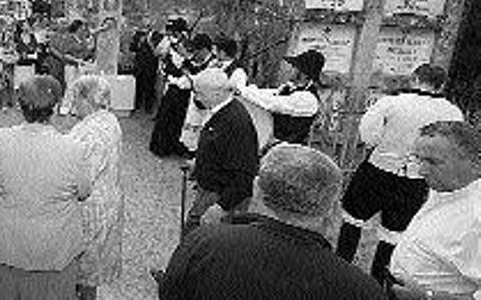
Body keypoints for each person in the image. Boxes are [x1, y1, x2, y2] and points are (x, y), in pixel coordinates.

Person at [158, 143, 388, 300]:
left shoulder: (205, 243)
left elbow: (171, 292)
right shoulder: (361, 289)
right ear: (331, 205)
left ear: (257, 190)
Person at [336, 64, 464, 285]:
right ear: (440, 84)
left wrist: (382, 145)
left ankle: (341, 272)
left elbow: (368, 134)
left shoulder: (392, 102)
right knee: (392, 234)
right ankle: (378, 283)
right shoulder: (452, 113)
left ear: (415, 79)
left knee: (354, 220)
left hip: (378, 168)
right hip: (416, 176)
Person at [0, 75, 91, 300]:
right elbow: (83, 192)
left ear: (20, 104)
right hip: (54, 252)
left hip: (8, 245)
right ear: (57, 106)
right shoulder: (73, 149)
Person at [388, 121, 481, 300]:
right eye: (419, 159)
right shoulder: (449, 186)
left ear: (476, 163)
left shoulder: (476, 216)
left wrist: (428, 296)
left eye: (433, 162)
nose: (422, 171)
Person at [69, 76, 125, 300]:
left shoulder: (90, 132)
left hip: (90, 209)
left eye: (75, 98)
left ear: (86, 99)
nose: (72, 104)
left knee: (83, 271)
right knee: (91, 272)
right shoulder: (109, 120)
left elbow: (79, 178)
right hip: (108, 201)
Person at [183, 68, 259, 231]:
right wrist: (199, 163)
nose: (196, 98)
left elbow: (245, 175)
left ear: (217, 94)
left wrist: (221, 207)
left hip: (218, 196)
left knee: (198, 240)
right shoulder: (220, 110)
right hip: (209, 190)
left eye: (199, 93)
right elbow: (219, 149)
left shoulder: (235, 122)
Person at [238, 49, 324, 146]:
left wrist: (243, 91)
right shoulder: (289, 87)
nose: (289, 69)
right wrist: (246, 90)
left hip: (288, 148)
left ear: (303, 73)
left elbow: (272, 103)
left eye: (294, 67)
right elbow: (266, 94)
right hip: (271, 141)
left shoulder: (307, 99)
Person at [149, 32, 214, 157]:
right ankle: (164, 147)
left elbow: (194, 75)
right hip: (178, 89)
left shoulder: (210, 62)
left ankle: (175, 146)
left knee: (178, 122)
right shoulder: (182, 56)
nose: (195, 53)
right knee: (169, 120)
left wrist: (185, 70)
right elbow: (184, 71)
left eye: (197, 50)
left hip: (189, 94)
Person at [180, 36, 248, 154]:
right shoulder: (214, 64)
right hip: (205, 104)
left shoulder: (238, 72)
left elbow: (237, 93)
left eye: (216, 50)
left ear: (222, 52)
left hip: (219, 110)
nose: (214, 53)